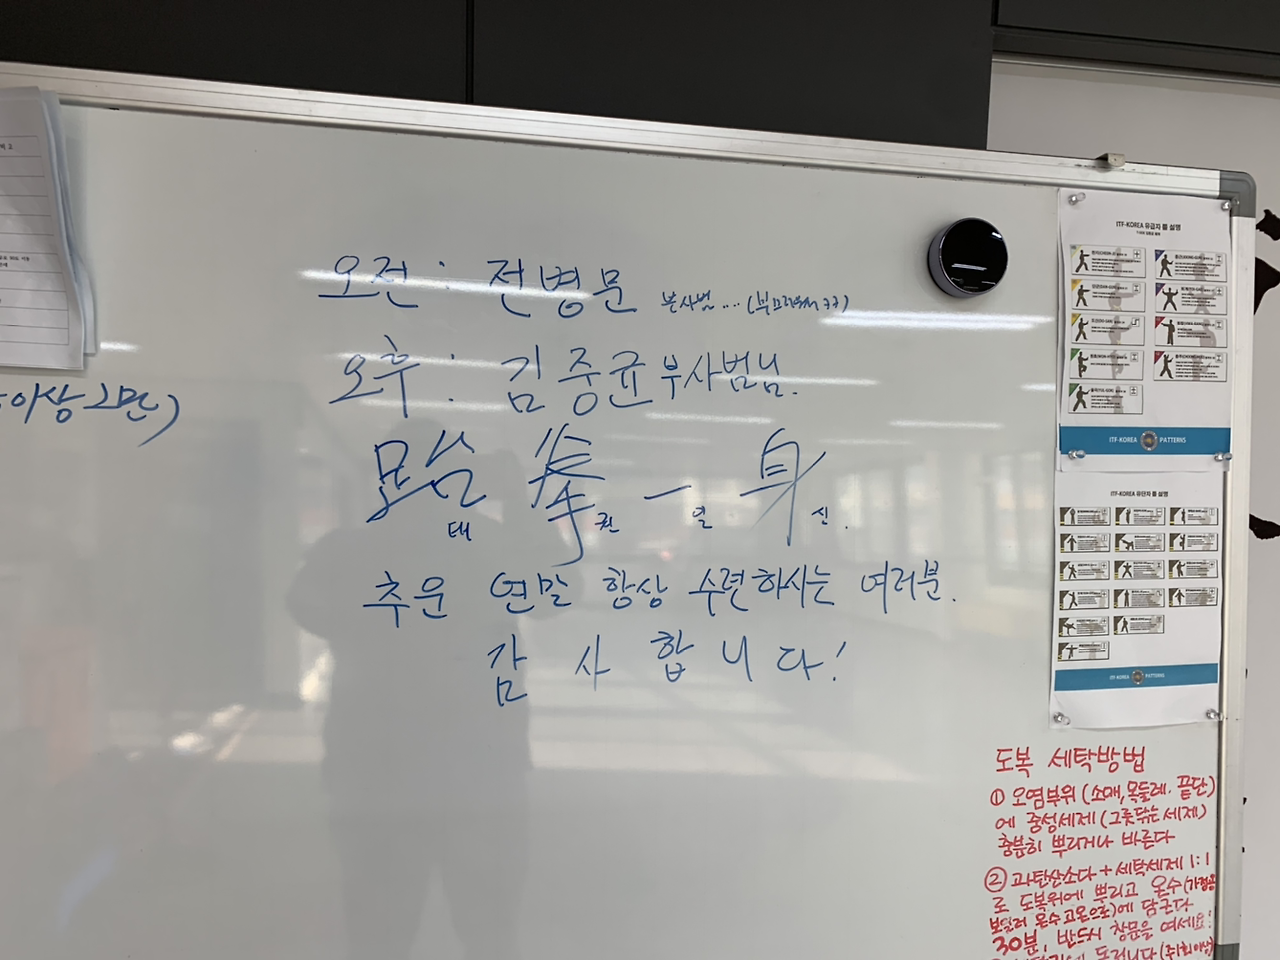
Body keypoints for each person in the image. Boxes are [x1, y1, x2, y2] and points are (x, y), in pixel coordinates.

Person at [287, 423, 568, 960]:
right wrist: (517, 501)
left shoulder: (346, 551)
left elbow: (308, 608)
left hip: (374, 771)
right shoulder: (491, 546)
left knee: (378, 931)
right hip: (482, 769)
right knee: (490, 929)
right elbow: (558, 593)